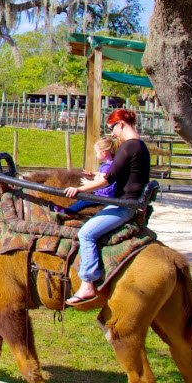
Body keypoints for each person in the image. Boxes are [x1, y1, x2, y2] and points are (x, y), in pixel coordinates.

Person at [64, 109, 150, 305]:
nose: (112, 133)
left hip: (123, 205)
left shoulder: (129, 146)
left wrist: (79, 190)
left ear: (121, 124)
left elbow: (108, 179)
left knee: (86, 233)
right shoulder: (140, 146)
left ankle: (87, 283)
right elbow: (114, 174)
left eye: (112, 128)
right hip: (127, 202)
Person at [63, 136, 118, 214]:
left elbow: (103, 180)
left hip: (103, 195)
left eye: (97, 152)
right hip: (105, 193)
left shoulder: (107, 166)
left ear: (104, 153)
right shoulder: (111, 163)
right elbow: (104, 174)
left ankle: (66, 212)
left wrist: (89, 183)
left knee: (84, 201)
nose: (96, 155)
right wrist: (93, 173)